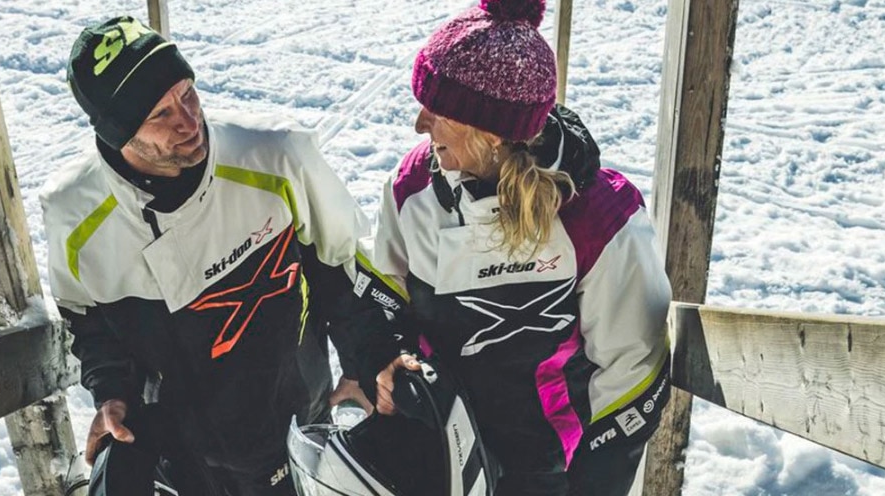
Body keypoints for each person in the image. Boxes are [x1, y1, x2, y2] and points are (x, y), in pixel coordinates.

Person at [41, 16, 381, 495]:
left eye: (188, 93)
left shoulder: (276, 159)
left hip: (292, 430)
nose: (188, 120)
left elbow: (345, 267)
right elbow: (88, 320)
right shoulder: (74, 216)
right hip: (178, 453)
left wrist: (368, 357)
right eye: (160, 115)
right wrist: (112, 392)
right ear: (118, 133)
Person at [358, 0, 673, 494]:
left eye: (439, 112)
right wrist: (384, 357)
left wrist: (591, 483)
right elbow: (380, 291)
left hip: (550, 469)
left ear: (492, 134)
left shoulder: (601, 218)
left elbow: (632, 371)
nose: (420, 124)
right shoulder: (412, 187)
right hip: (438, 447)